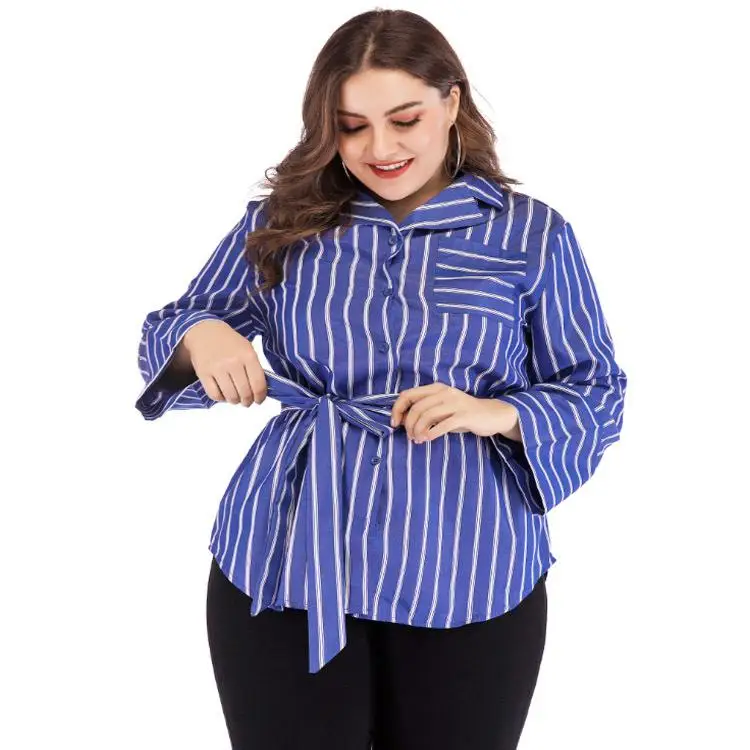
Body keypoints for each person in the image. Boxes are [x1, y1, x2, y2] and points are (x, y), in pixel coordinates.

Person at [134, 8, 627, 750]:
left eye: (405, 119)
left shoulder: (532, 236)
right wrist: (201, 335)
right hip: (282, 565)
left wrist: (496, 412)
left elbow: (595, 389)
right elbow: (170, 333)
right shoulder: (282, 222)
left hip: (468, 572)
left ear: (451, 103)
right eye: (352, 126)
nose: (381, 148)